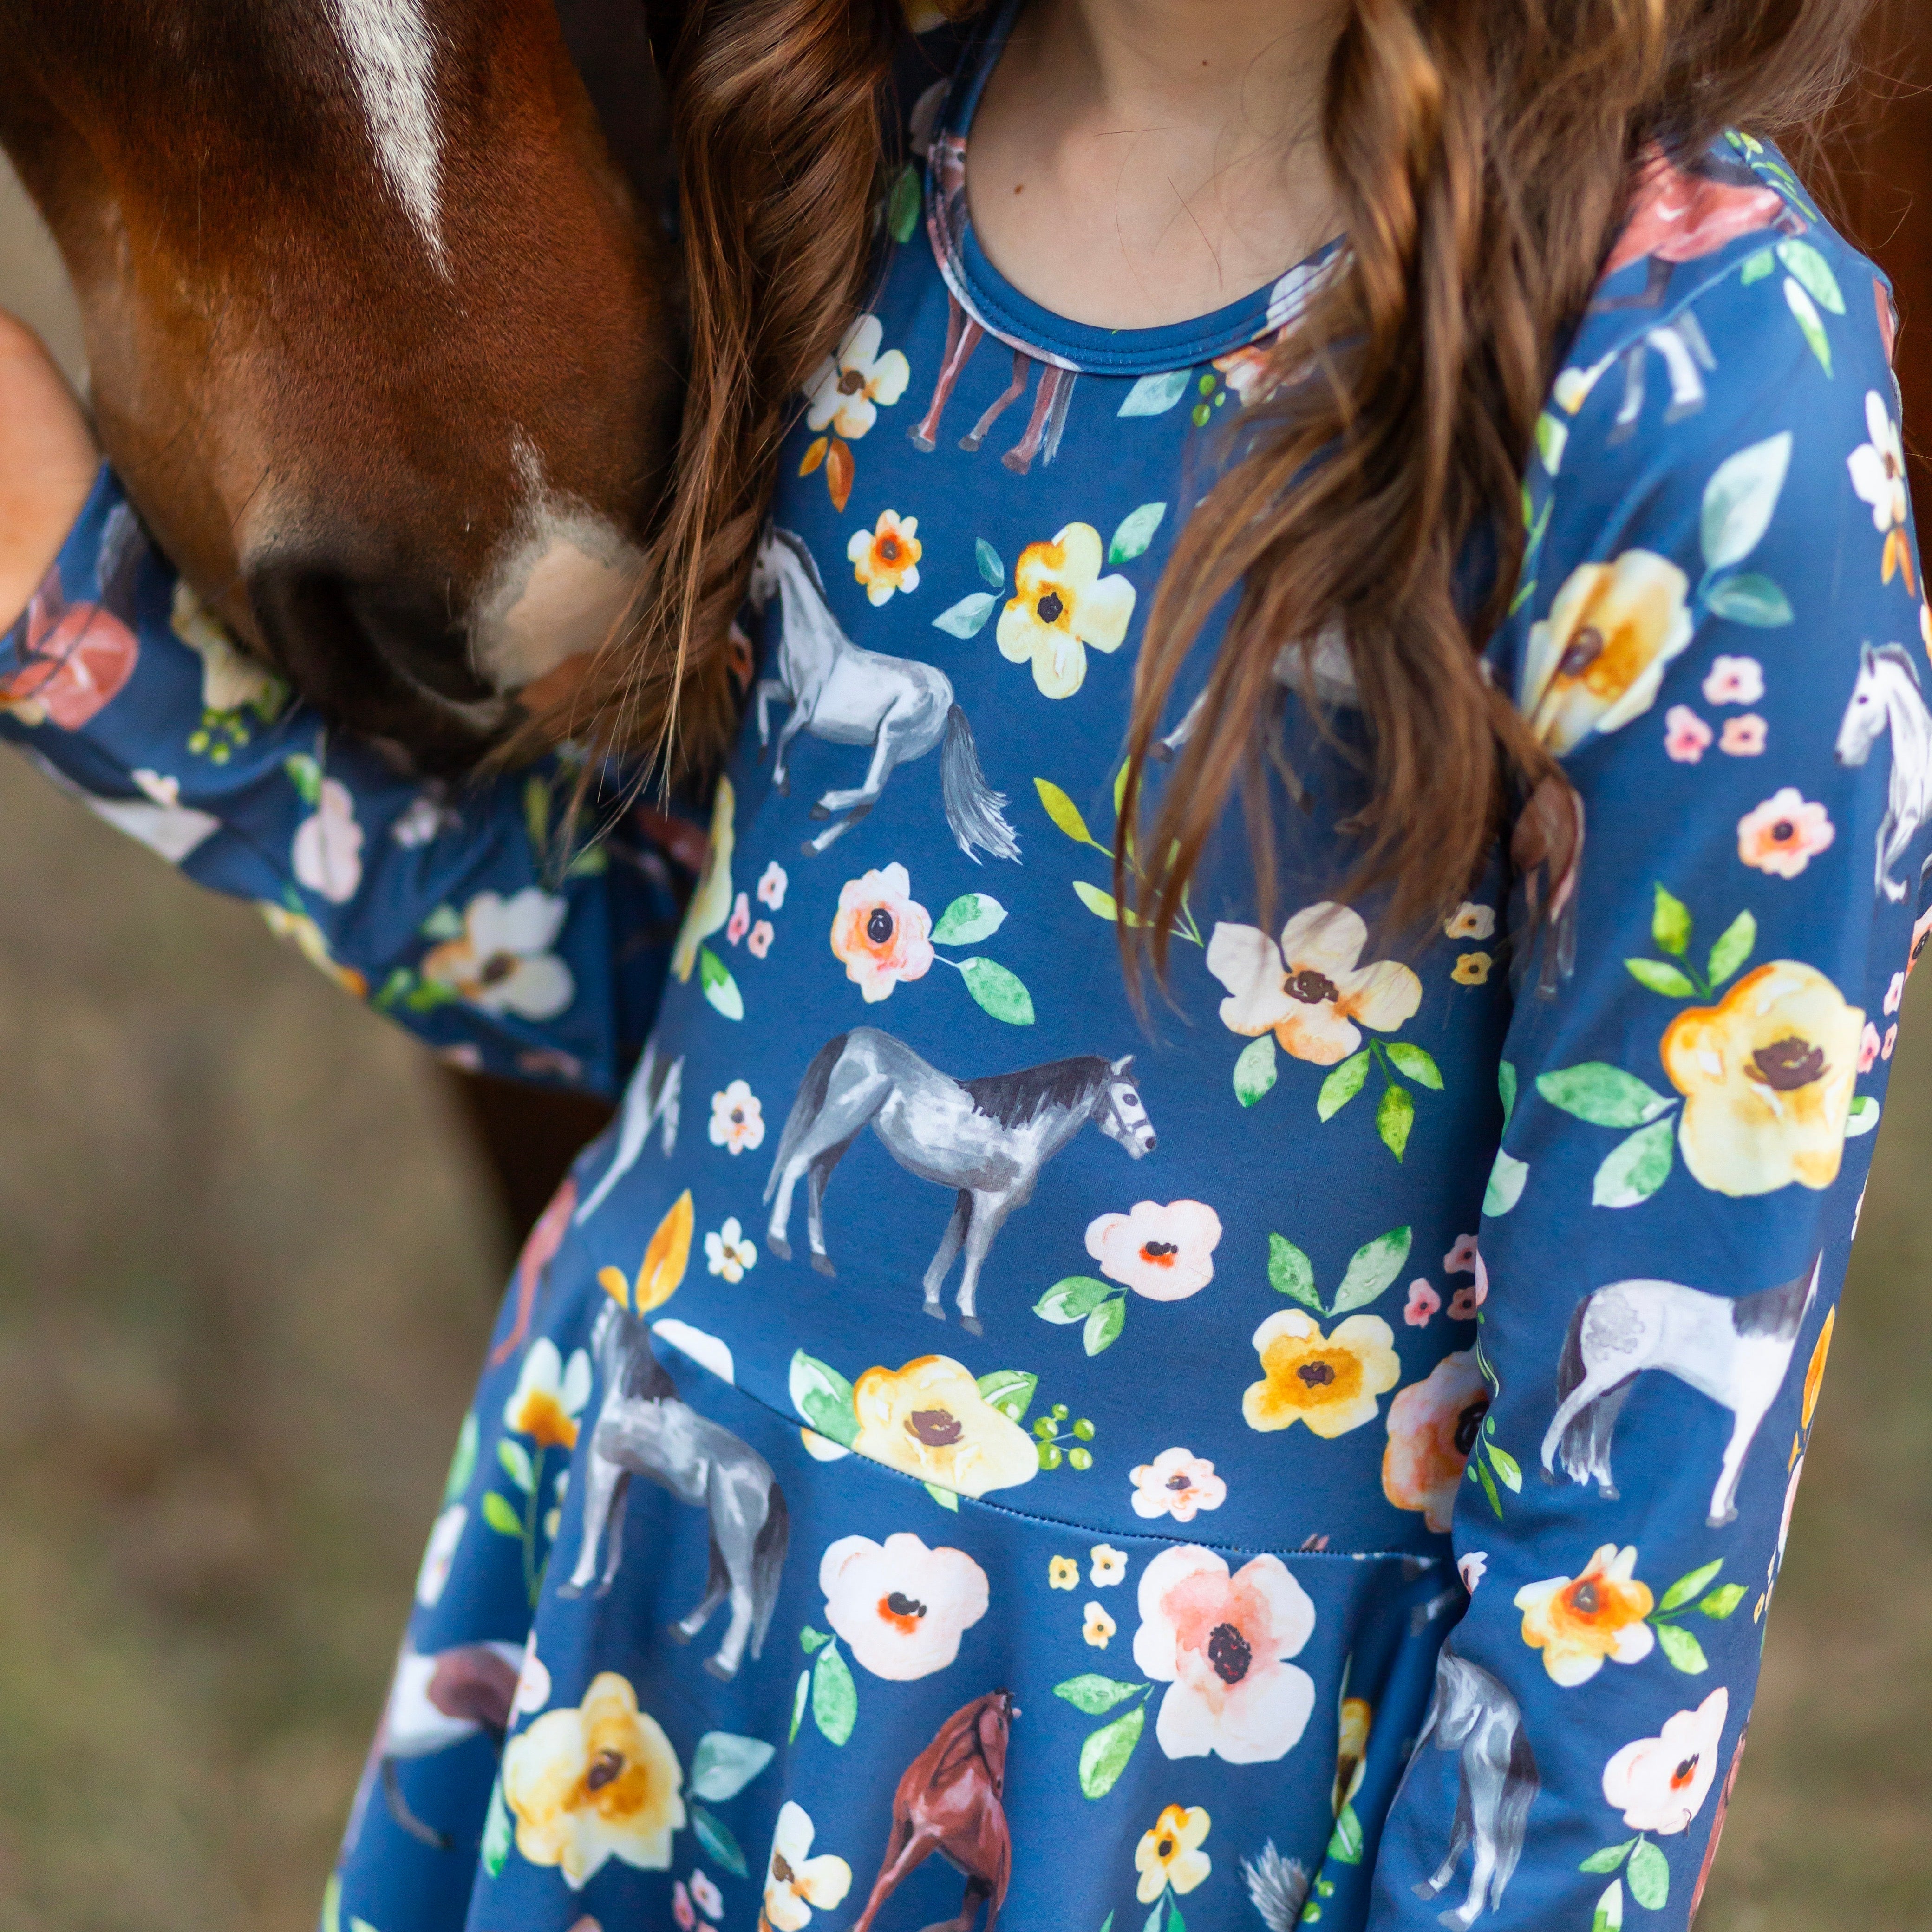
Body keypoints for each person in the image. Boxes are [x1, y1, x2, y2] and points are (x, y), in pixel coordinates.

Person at [0, 0, 1922, 1927]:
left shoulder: (1697, 387)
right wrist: (80, 623)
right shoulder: (825, 165)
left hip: (1156, 1792)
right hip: (646, 1683)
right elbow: (698, 1011)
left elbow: (1634, 1537)